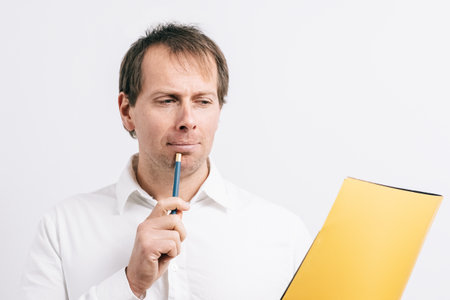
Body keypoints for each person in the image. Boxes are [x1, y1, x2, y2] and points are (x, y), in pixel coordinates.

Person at [20, 23, 311, 300]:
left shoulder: (283, 233)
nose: (188, 121)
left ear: (219, 111)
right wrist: (130, 283)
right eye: (168, 100)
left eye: (203, 101)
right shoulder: (63, 228)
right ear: (127, 111)